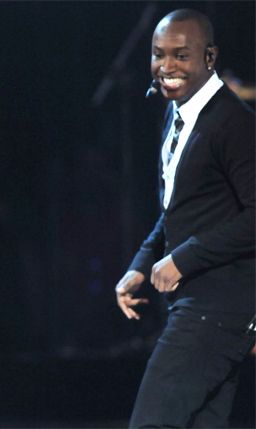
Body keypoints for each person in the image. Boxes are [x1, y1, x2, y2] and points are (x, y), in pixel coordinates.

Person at [114, 9, 255, 428]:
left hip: (219, 307)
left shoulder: (233, 124)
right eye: (158, 54)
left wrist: (183, 258)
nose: (166, 66)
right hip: (198, 305)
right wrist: (141, 264)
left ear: (209, 57)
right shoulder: (177, 113)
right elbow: (180, 207)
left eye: (181, 55)